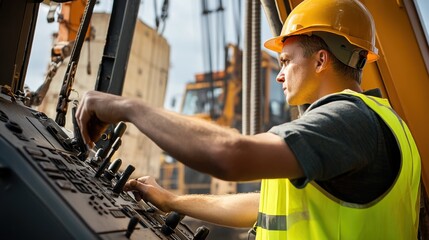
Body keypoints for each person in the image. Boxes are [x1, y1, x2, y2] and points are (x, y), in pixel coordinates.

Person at [76, 0, 421, 238]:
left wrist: (127, 107)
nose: (279, 75)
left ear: (320, 61)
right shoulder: (382, 121)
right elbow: (265, 206)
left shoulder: (346, 119)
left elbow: (232, 155)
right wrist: (171, 200)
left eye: (286, 61)